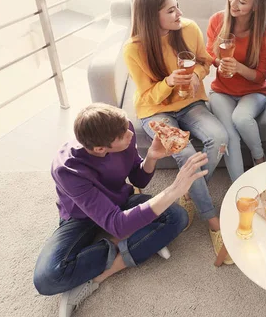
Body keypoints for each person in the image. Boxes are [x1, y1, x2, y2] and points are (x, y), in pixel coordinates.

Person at [33, 103, 207, 317]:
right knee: (48, 278)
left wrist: (151, 157)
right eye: (123, 135)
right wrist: (173, 190)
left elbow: (137, 177)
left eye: (126, 127)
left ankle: (102, 274)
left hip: (120, 200)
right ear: (100, 149)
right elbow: (116, 224)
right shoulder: (67, 169)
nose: (130, 133)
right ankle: (139, 241)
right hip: (81, 218)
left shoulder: (126, 130)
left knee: (177, 217)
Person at [123, 0, 231, 262]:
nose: (179, 13)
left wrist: (197, 74)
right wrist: (169, 81)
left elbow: (206, 61)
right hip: (155, 110)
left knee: (219, 138)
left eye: (177, 6)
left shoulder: (189, 28)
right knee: (185, 153)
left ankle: (188, 190)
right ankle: (212, 219)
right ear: (150, 16)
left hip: (190, 103)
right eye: (171, 10)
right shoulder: (133, 49)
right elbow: (147, 95)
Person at [206, 0, 266, 182]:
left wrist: (239, 68)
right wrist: (220, 63)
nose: (232, 3)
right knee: (230, 137)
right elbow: (209, 53)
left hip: (253, 92)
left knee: (241, 118)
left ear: (255, 7)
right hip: (221, 90)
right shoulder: (218, 20)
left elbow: (260, 76)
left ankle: (259, 158)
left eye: (242, 2)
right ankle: (241, 187)